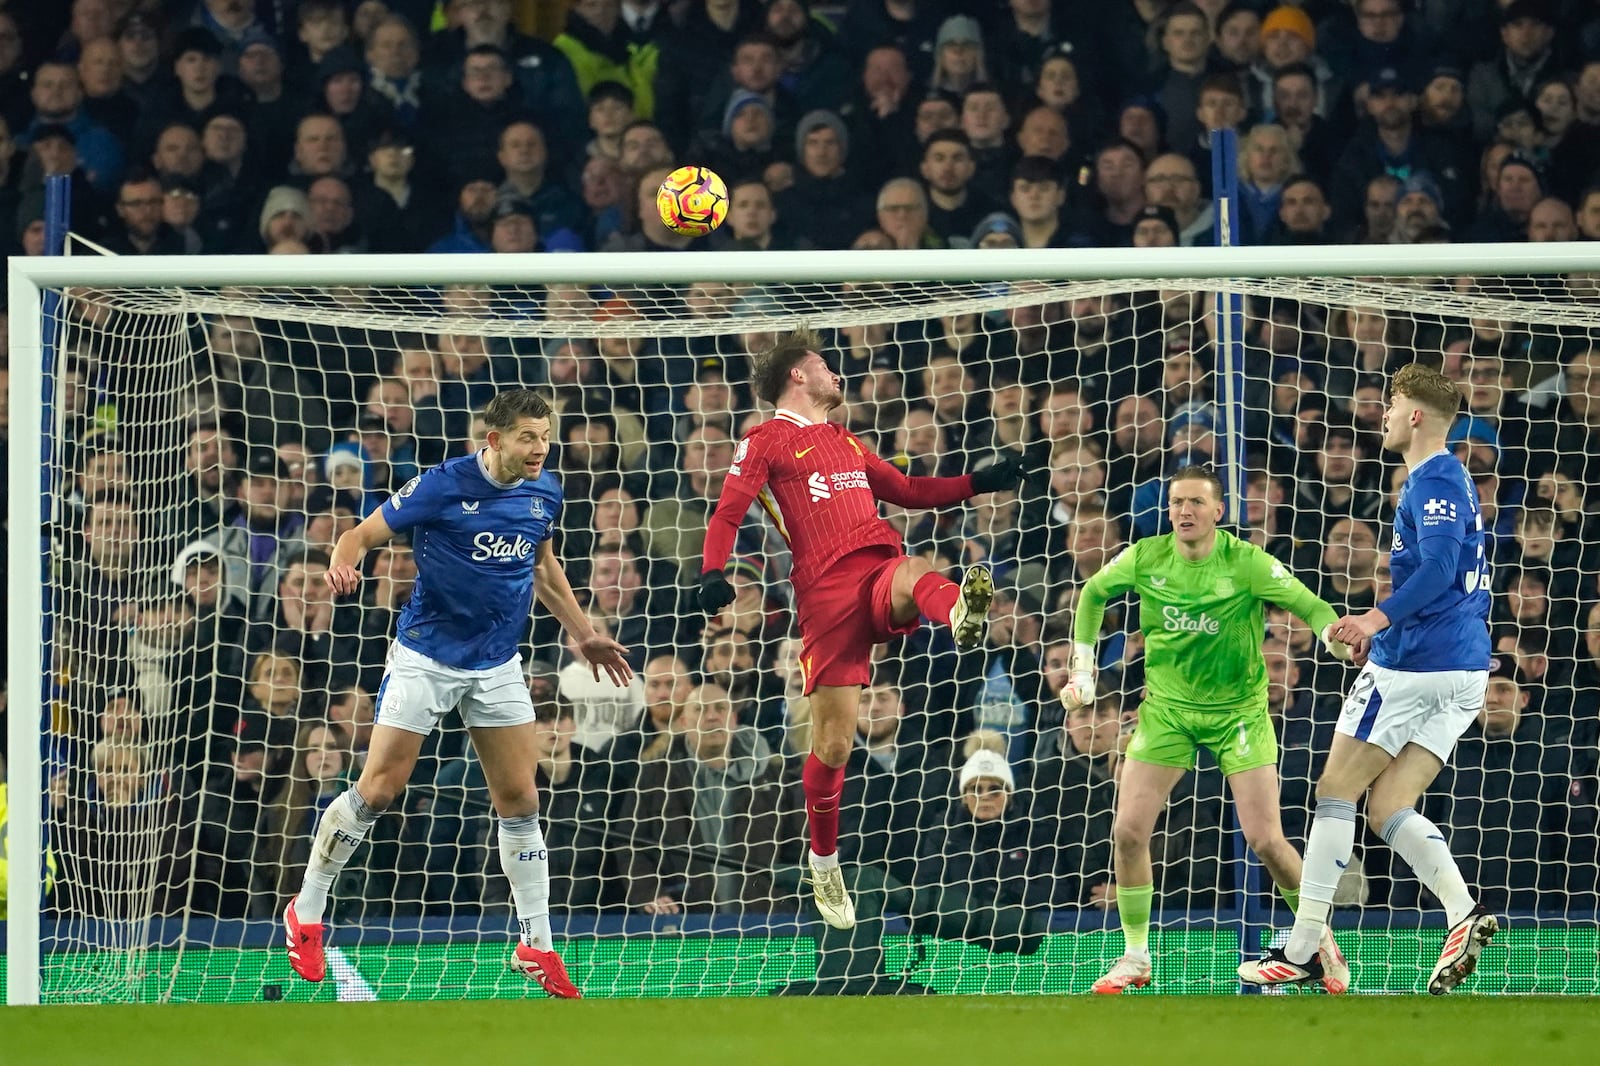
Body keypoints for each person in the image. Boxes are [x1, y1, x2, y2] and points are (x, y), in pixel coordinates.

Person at [280, 389, 632, 999]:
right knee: (379, 789)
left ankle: (537, 945)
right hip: (427, 656)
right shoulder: (441, 485)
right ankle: (305, 914)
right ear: (493, 440)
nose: (540, 449)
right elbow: (359, 536)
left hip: (497, 662)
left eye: (545, 438)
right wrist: (342, 563)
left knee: (521, 800)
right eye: (527, 437)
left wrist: (584, 634)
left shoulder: (545, 490)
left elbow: (543, 569)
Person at [695, 328, 1026, 929]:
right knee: (834, 747)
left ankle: (958, 612)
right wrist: (713, 572)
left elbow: (908, 491)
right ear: (798, 375)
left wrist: (981, 480)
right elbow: (727, 509)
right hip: (824, 598)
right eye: (824, 364)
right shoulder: (764, 439)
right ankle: (825, 863)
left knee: (915, 569)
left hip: (875, 569)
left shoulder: (846, 440)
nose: (835, 372)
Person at [1240, 363, 1498, 995]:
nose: (1381, 414)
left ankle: (1302, 950)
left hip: (1417, 665)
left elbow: (1437, 569)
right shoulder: (1452, 478)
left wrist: (1375, 619)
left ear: (1414, 415)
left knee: (1334, 791)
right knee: (1387, 806)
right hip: (1465, 671)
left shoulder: (1432, 481)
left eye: (1391, 404)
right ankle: (1463, 914)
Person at [1062, 464, 1354, 995]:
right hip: (1168, 712)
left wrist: (1331, 633)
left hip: (1238, 713)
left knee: (1265, 839)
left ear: (1219, 511)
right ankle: (1134, 956)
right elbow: (1092, 593)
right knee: (1127, 832)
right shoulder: (1146, 556)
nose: (1185, 511)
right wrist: (1082, 668)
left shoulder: (1246, 563)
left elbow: (1309, 605)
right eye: (1177, 502)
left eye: (1196, 502)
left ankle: (1318, 938)